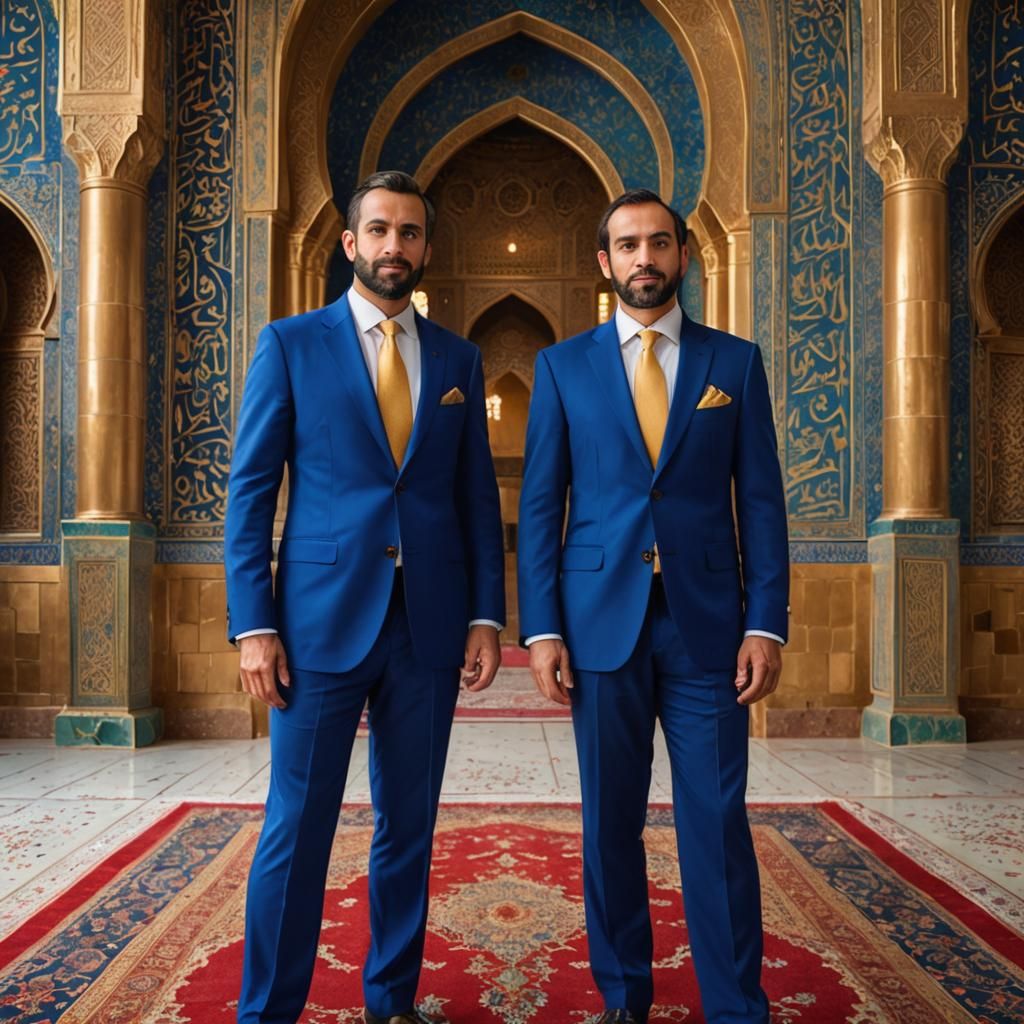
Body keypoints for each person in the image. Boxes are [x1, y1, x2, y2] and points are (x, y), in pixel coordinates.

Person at [225, 170, 505, 1024]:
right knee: (295, 828)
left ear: (426, 247)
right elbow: (249, 491)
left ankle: (391, 1000)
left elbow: (474, 500)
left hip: (427, 628)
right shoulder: (291, 344)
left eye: (410, 233)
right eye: (378, 231)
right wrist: (253, 625)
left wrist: (487, 615)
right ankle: (268, 1009)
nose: (395, 247)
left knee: (408, 826)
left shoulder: (458, 359)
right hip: (313, 626)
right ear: (350, 244)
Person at [517, 189, 788, 1024]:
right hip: (600, 624)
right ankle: (624, 1000)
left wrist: (765, 620)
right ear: (606, 262)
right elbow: (539, 505)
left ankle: (737, 1006)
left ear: (683, 255)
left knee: (716, 824)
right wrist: (543, 628)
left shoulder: (733, 364)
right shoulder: (562, 367)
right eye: (628, 245)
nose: (645, 259)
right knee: (610, 827)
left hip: (709, 625)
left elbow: (763, 504)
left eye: (660, 243)